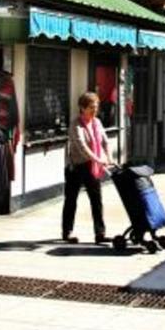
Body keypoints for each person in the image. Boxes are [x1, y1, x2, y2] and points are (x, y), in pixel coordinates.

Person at [63, 91, 109, 244]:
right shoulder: (76, 124)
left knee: (96, 199)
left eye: (96, 107)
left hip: (92, 167)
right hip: (76, 166)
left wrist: (108, 157)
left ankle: (100, 233)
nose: (94, 110)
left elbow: (105, 142)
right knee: (71, 199)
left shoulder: (97, 122)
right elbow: (81, 146)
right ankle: (67, 232)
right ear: (82, 108)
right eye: (91, 107)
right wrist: (97, 158)